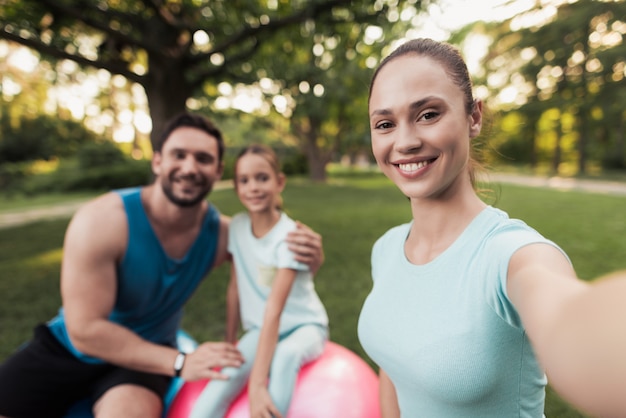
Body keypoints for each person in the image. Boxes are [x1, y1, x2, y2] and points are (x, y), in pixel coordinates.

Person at [357, 38, 626, 418]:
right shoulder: (385, 250)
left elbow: (570, 317)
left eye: (428, 114)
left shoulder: (513, 255)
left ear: (474, 117)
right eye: (385, 124)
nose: (405, 141)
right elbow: (394, 366)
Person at [0, 113, 325, 418]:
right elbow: (84, 330)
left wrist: (312, 254)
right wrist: (183, 361)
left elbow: (267, 252)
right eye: (178, 155)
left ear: (217, 171)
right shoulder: (101, 222)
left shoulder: (223, 234)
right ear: (157, 161)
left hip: (145, 361)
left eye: (203, 159)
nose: (189, 167)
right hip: (67, 350)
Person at [190, 144, 329, 418]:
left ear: (279, 183)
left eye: (262, 178)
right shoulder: (238, 227)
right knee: (220, 385)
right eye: (244, 180)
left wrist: (257, 385)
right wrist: (230, 341)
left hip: (305, 327)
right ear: (237, 187)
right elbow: (234, 288)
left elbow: (274, 310)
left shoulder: (290, 237)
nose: (253, 187)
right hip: (260, 330)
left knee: (286, 355)